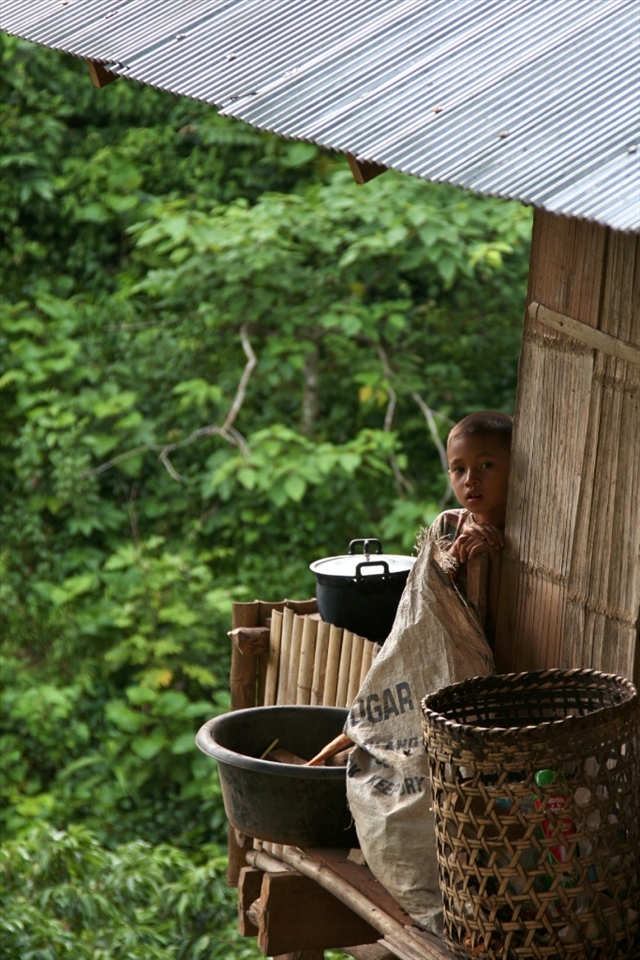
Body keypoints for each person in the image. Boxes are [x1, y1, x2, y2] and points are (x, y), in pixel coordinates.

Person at [429, 411, 513, 643]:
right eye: (459, 469)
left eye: (485, 465)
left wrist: (494, 561)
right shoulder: (448, 525)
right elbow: (421, 597)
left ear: (515, 467)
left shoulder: (529, 536)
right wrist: (456, 553)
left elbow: (505, 629)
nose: (470, 479)